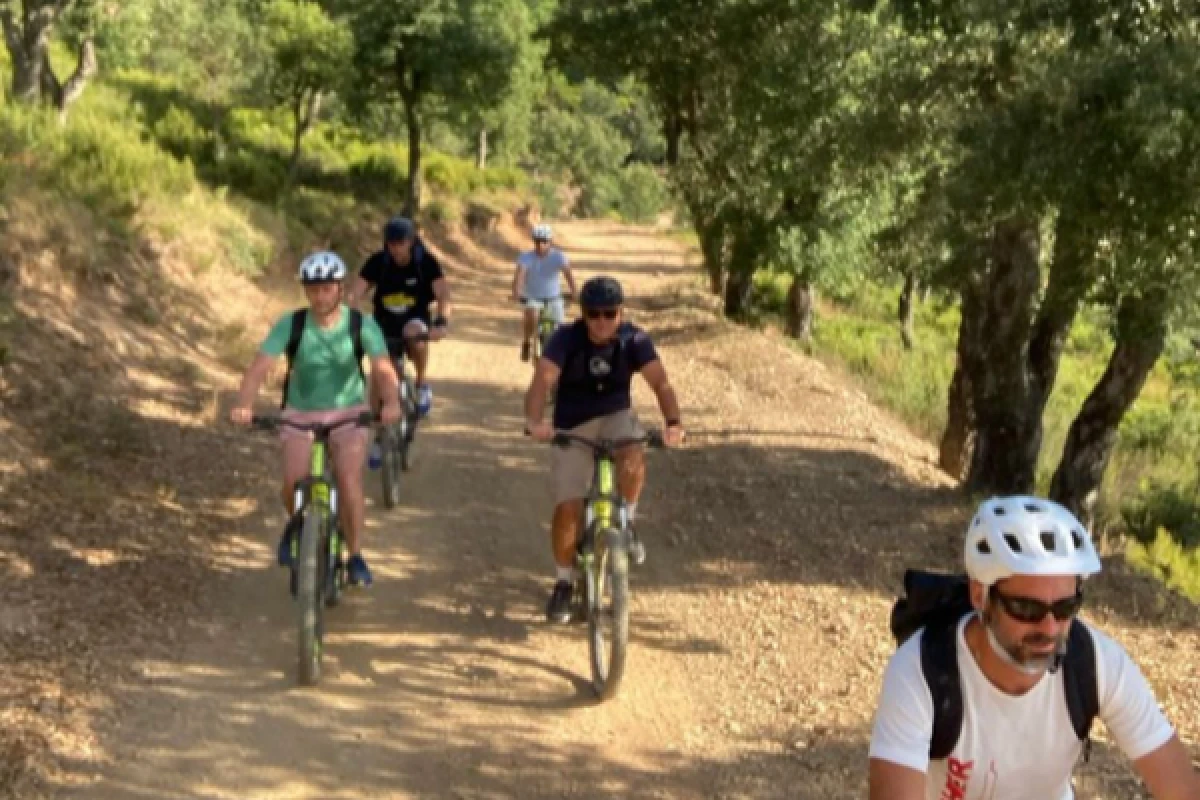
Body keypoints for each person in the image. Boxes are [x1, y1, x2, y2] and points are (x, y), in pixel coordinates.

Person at [868, 496, 1200, 800]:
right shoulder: (923, 670)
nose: (1050, 628)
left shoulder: (1096, 664)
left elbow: (1181, 789)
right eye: (1027, 609)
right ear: (981, 597)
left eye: (1066, 607)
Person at [230, 251, 402, 587]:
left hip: (348, 412)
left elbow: (383, 369)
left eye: (326, 288)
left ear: (339, 288)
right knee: (293, 482)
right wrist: (244, 404)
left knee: (349, 480)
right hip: (299, 412)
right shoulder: (291, 324)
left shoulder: (360, 325)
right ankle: (296, 528)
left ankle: (355, 555)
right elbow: (258, 369)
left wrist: (392, 402)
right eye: (313, 289)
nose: (320, 296)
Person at [525, 276, 685, 623]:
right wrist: (536, 420)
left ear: (621, 313)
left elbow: (660, 382)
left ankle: (626, 521)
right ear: (583, 314)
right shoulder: (565, 339)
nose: (601, 321)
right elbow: (542, 380)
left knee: (633, 449)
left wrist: (673, 422)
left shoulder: (635, 339)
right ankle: (564, 583)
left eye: (609, 314)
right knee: (568, 506)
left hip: (615, 416)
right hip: (572, 424)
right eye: (594, 314)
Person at [347, 216, 451, 418]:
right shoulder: (378, 262)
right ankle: (380, 437)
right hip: (384, 323)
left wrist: (441, 321)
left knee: (414, 335)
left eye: (400, 243)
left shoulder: (425, 263)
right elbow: (355, 292)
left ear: (411, 241)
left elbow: (443, 294)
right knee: (379, 379)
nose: (395, 248)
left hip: (414, 319)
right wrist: (351, 317)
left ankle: (421, 384)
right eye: (391, 243)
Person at [511, 223, 577, 362]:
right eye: (537, 241)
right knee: (532, 314)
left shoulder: (559, 257)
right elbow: (520, 276)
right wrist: (516, 292)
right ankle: (527, 341)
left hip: (554, 297)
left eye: (544, 241)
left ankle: (561, 357)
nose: (540, 245)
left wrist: (574, 292)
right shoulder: (526, 257)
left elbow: (568, 275)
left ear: (550, 242)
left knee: (560, 328)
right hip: (532, 297)